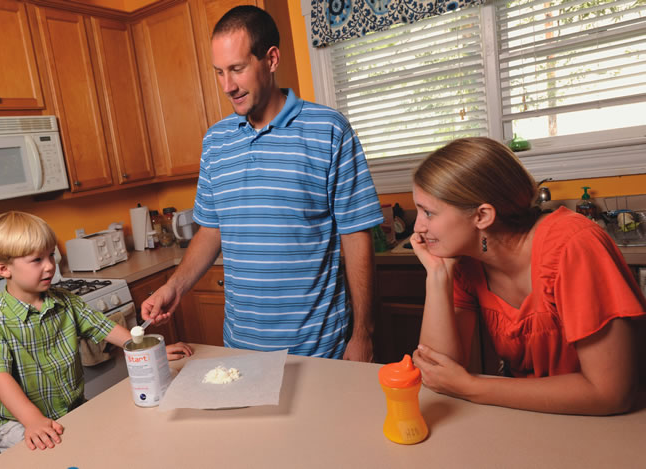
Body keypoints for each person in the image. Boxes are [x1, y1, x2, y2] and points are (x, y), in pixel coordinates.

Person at [141, 5, 383, 360]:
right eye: (219, 72)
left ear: (271, 59)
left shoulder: (329, 130)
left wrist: (362, 333)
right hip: (241, 348)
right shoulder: (215, 141)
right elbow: (211, 230)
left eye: (237, 69)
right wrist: (173, 287)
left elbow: (356, 233)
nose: (227, 86)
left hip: (318, 348)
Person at [409, 137, 646, 415]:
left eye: (428, 212)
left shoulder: (574, 245)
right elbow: (438, 375)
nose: (418, 227)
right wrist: (437, 274)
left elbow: (610, 393)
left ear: (482, 216)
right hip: (536, 416)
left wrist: (471, 386)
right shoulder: (466, 263)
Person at [0, 211, 192, 452]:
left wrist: (148, 350)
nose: (50, 266)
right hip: (19, 424)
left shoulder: (65, 301)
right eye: (37, 260)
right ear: (4, 269)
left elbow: (103, 327)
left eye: (51, 255)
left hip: (72, 411)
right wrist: (32, 419)